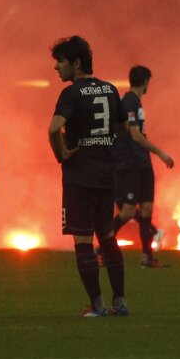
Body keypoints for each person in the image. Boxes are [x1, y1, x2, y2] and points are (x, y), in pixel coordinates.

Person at [48, 36, 128, 317]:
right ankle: (120, 302)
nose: (57, 68)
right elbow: (122, 126)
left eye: (61, 62)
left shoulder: (71, 94)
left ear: (77, 63)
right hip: (106, 175)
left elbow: (54, 128)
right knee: (107, 238)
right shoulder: (110, 89)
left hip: (79, 178)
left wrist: (63, 155)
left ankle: (97, 306)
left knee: (83, 242)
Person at [112, 65, 174, 267]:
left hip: (142, 163)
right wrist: (161, 153)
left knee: (146, 209)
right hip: (131, 164)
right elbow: (135, 135)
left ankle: (147, 257)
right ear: (146, 81)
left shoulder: (135, 102)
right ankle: (104, 246)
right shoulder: (129, 101)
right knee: (128, 211)